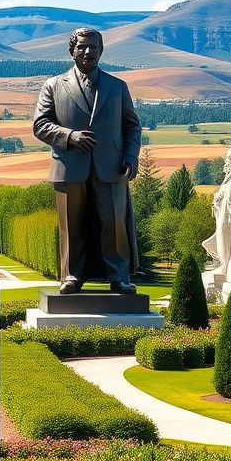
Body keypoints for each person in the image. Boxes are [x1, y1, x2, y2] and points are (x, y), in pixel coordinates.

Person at [32, 27, 142, 294]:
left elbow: (132, 126)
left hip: (112, 167)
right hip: (70, 166)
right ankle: (71, 276)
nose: (88, 51)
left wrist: (130, 155)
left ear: (101, 51)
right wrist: (69, 136)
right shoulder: (53, 85)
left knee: (114, 222)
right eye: (82, 47)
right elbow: (40, 124)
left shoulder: (117, 87)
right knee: (72, 224)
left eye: (93, 47)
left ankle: (119, 276)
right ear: (72, 51)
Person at [201, 120, 231, 274]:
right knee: (222, 230)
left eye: (229, 162)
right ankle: (224, 263)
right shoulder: (228, 181)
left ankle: (225, 264)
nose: (226, 165)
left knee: (224, 230)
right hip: (224, 205)